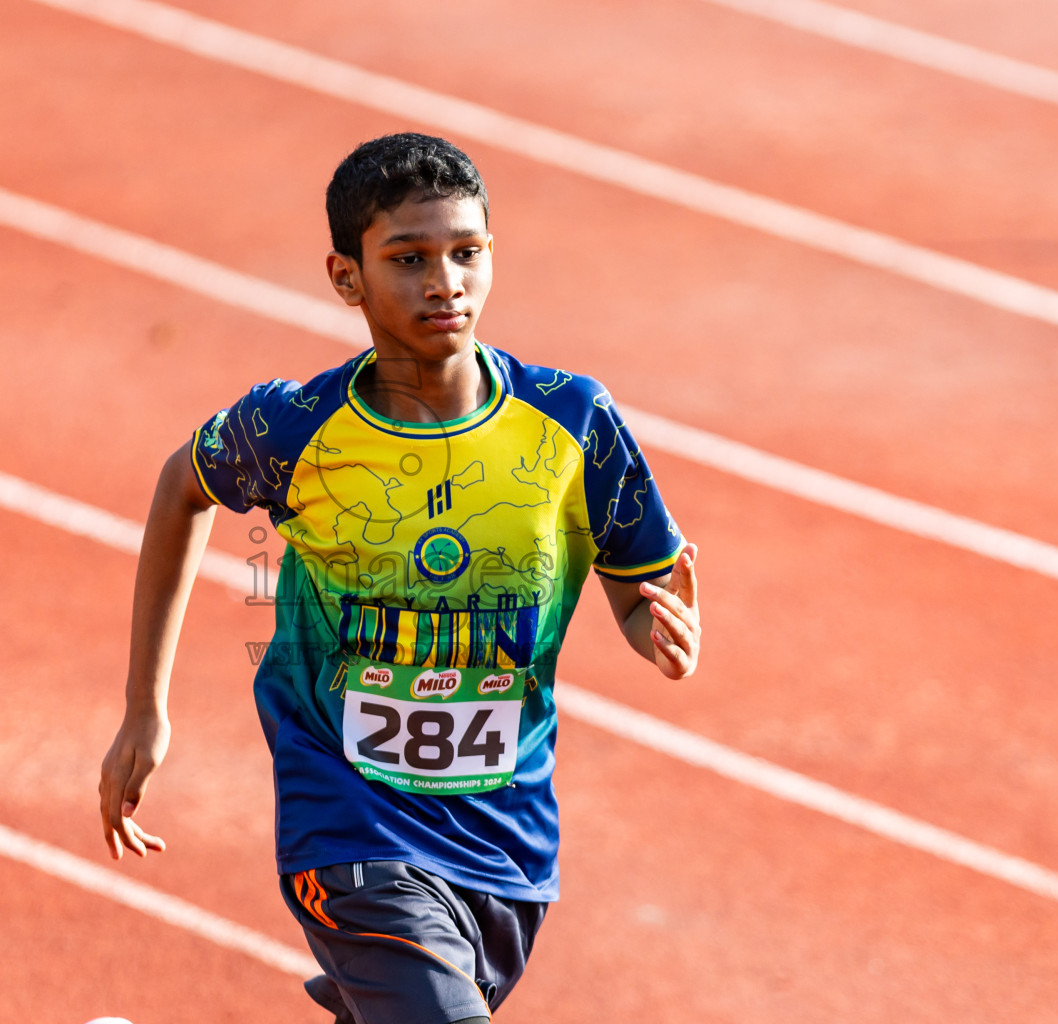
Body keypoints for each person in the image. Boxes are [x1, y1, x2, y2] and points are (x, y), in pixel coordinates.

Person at [99, 133, 700, 1024]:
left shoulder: (572, 423)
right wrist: (146, 707)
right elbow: (183, 484)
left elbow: (638, 583)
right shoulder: (299, 430)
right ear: (347, 278)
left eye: (466, 253)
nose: (444, 281)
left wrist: (660, 635)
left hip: (506, 840)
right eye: (409, 259)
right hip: (347, 822)